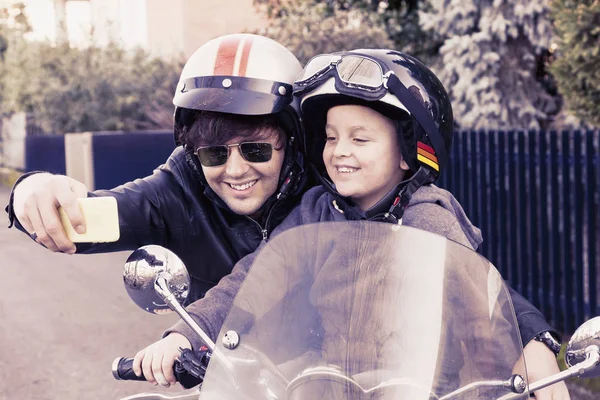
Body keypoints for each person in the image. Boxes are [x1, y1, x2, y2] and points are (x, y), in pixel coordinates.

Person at [139, 49, 569, 399]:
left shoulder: (427, 216)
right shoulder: (316, 211)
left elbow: (484, 303)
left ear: (408, 153)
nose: (340, 150)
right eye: (330, 137)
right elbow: (252, 280)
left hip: (421, 390)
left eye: (360, 139)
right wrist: (185, 335)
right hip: (324, 387)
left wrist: (530, 348)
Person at [5, 33, 310, 301]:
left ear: (293, 138)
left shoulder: (325, 187)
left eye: (255, 149)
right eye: (214, 154)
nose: (235, 170)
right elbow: (81, 220)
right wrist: (32, 189)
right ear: (193, 153)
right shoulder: (178, 191)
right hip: (219, 360)